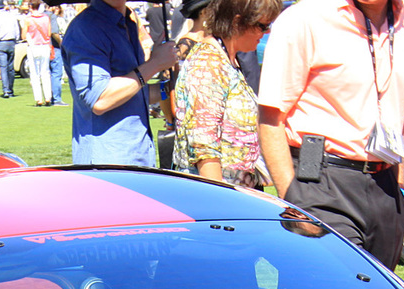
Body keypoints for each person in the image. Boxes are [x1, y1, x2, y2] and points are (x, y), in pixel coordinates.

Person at [257, 0, 404, 269]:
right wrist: (294, 200)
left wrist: (399, 187)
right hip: (322, 183)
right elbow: (270, 118)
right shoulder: (304, 18)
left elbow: (399, 112)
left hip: (386, 185)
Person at [173, 0, 279, 185]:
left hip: (237, 192)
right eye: (262, 26)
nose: (267, 32)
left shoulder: (226, 60)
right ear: (237, 23)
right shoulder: (208, 63)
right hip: (217, 194)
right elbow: (204, 147)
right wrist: (220, 202)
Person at [63, 0, 178, 164]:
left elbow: (133, 92)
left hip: (138, 156)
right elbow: (100, 99)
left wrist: (169, 88)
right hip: (108, 163)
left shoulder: (127, 23)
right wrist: (155, 64)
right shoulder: (86, 28)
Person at [0, 0, 20, 97]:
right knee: (10, 67)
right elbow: (17, 31)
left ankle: (6, 90)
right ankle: (10, 89)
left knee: (3, 67)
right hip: (11, 42)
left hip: (0, 43)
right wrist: (16, 40)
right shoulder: (11, 16)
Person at [25, 2, 53, 104]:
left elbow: (24, 35)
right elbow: (49, 33)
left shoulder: (28, 19)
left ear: (31, 7)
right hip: (44, 46)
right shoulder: (46, 18)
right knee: (45, 72)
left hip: (33, 46)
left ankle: (38, 98)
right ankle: (48, 97)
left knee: (34, 73)